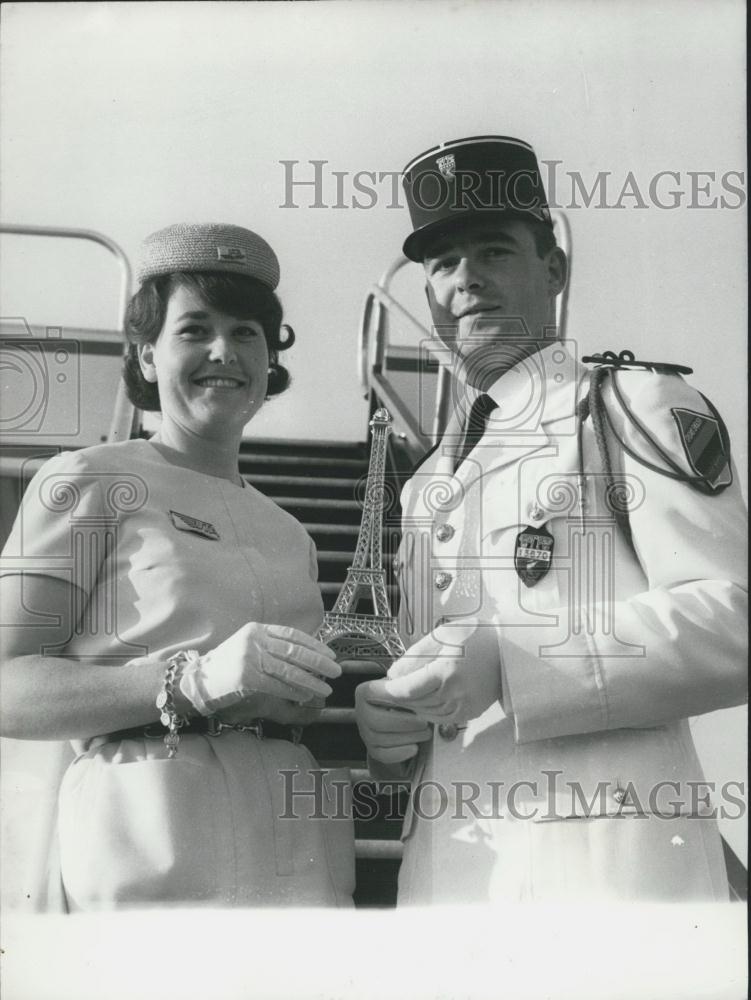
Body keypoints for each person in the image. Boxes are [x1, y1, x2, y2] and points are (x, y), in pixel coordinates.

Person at [355, 136, 748, 904]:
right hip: (452, 882)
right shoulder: (429, 481)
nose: (465, 279)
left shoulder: (631, 407)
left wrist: (512, 661)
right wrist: (391, 729)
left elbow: (733, 619)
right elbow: (438, 677)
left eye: (493, 251)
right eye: (441, 263)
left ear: (553, 269)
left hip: (604, 877)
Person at [0, 222, 355, 910]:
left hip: (294, 842)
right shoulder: (86, 480)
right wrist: (190, 680)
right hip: (146, 837)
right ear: (146, 354)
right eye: (194, 330)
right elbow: (6, 686)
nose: (224, 351)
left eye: (246, 332)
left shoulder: (291, 533)